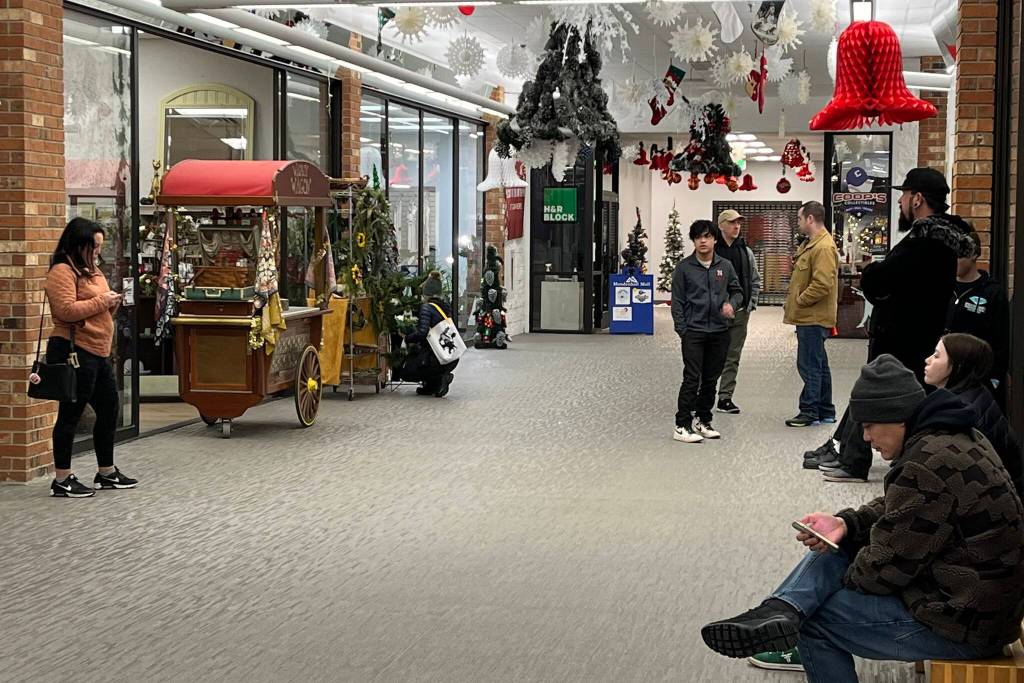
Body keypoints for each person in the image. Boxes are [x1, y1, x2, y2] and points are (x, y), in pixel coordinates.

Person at [702, 355, 1024, 682]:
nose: (867, 438)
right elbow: (897, 508)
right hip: (980, 605)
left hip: (967, 626)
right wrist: (847, 525)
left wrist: (828, 583)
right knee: (839, 544)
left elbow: (882, 573)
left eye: (869, 425)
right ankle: (782, 608)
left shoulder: (925, 465)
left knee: (815, 621)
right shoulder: (953, 437)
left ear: (897, 418)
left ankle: (787, 608)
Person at [805, 167, 975, 482]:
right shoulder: (943, 240)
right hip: (919, 333)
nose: (900, 202)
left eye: (904, 195)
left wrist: (871, 271)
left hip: (903, 337)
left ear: (918, 199)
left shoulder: (924, 241)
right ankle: (843, 446)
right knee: (876, 391)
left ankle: (853, 459)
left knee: (874, 392)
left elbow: (884, 281)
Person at [44, 218, 137, 498]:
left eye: (100, 246)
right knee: (71, 413)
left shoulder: (92, 271)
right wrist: (103, 302)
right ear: (79, 244)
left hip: (97, 351)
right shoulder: (62, 271)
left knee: (109, 407)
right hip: (73, 350)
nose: (98, 251)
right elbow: (66, 311)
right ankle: (62, 478)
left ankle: (106, 472)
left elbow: (99, 312)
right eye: (93, 246)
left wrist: (112, 305)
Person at [671, 220, 743, 443]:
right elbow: (677, 302)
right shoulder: (684, 268)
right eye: (698, 237)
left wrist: (732, 304)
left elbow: (738, 291)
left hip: (720, 332)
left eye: (707, 236)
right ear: (693, 241)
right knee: (692, 378)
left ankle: (703, 420)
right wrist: (683, 330)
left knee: (711, 379)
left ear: (714, 240)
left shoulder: (725, 266)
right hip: (694, 332)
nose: (703, 241)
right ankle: (681, 425)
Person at [924, 333, 1022, 496]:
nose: (928, 360)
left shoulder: (960, 413)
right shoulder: (975, 394)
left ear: (958, 366)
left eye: (936, 356)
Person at [784, 201, 839, 429]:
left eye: (799, 219)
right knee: (819, 364)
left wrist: (800, 300)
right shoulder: (812, 245)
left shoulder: (823, 247)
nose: (798, 223)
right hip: (810, 316)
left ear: (809, 219)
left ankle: (809, 411)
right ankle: (825, 410)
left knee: (809, 365)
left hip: (812, 316)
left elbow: (822, 283)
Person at [946, 230, 1011, 404]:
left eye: (959, 255)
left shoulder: (992, 293)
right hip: (944, 377)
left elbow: (1002, 344)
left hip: (977, 384)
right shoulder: (942, 289)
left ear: (974, 254)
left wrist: (993, 381)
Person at [714, 209, 761, 415]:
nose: (737, 226)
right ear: (721, 225)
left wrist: (751, 304)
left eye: (739, 223)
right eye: (732, 223)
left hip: (741, 312)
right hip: (714, 314)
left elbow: (755, 279)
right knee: (712, 355)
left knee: (733, 356)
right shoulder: (712, 251)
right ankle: (703, 394)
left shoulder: (745, 252)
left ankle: (725, 397)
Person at [398, 271, 458, 398]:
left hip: (433, 355)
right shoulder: (445, 306)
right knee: (424, 361)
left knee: (407, 370)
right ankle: (431, 385)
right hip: (448, 354)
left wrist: (407, 338)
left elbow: (422, 332)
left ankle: (441, 378)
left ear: (427, 292)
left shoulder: (427, 308)